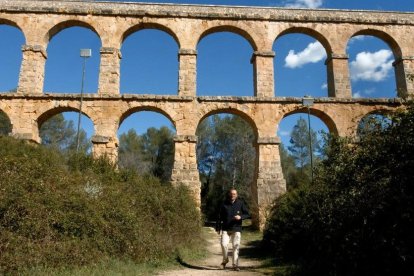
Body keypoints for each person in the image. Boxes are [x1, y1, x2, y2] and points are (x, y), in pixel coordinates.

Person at [215, 188, 250, 271]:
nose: (232, 195)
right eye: (231, 194)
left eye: (234, 194)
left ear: (236, 195)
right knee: (223, 244)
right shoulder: (224, 204)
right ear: (229, 194)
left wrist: (240, 217)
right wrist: (218, 228)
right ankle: (225, 260)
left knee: (236, 246)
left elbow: (247, 214)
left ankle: (235, 265)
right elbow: (219, 217)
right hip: (225, 229)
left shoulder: (240, 203)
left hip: (237, 228)